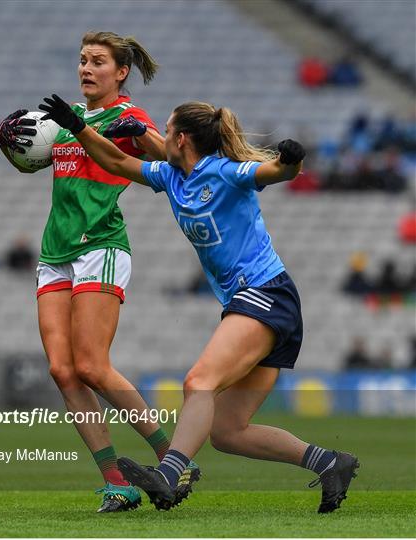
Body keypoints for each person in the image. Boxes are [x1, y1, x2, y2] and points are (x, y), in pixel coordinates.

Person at [37, 95, 360, 514]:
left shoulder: (224, 173)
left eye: (165, 130)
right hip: (252, 303)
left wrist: (292, 162)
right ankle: (331, 462)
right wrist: (80, 128)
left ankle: (170, 475)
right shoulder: (171, 177)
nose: (158, 137)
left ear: (182, 138)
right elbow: (118, 164)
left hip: (266, 294)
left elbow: (274, 171)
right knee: (227, 433)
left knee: (198, 382)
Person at [0, 31, 200, 513]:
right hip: (55, 252)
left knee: (91, 366)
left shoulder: (127, 116)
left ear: (120, 72)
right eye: (83, 60)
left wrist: (138, 134)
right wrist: (6, 143)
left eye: (98, 62)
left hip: (100, 246)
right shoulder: (64, 121)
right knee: (63, 371)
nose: (86, 68)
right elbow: (31, 165)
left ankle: (173, 460)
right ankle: (116, 483)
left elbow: (163, 157)